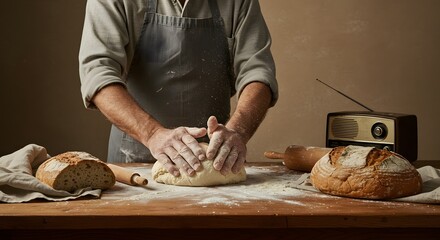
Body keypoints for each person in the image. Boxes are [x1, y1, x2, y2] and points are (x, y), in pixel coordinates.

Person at [78, 0, 278, 178]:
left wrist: (238, 130)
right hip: (134, 164)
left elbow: (257, 71)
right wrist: (152, 134)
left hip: (214, 160)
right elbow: (98, 73)